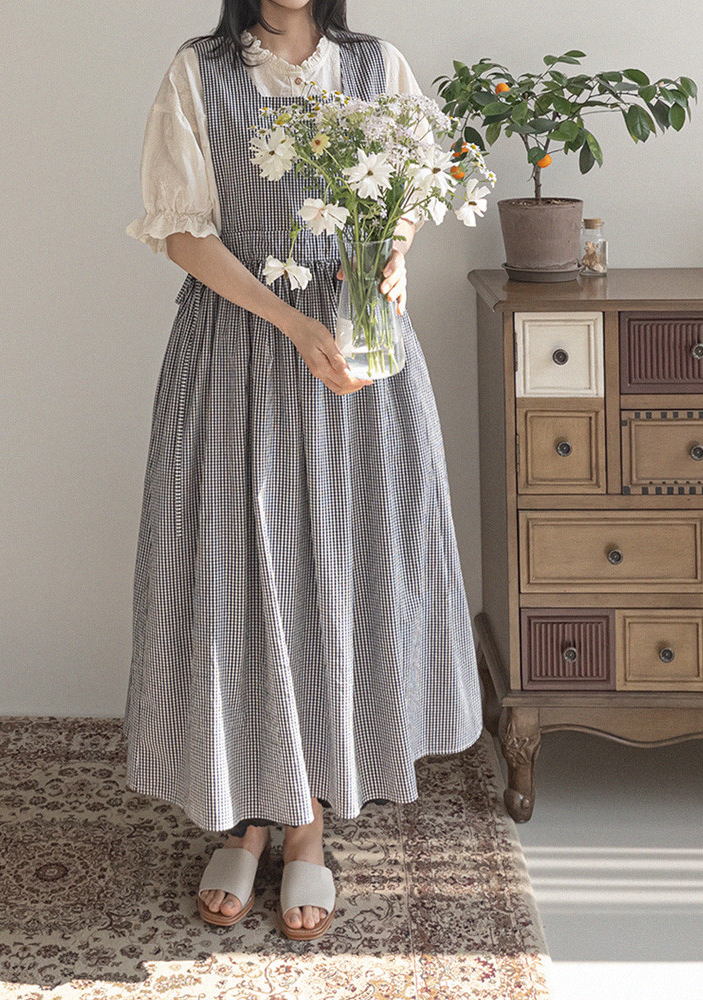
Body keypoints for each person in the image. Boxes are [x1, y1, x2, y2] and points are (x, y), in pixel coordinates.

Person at [123, 0, 484, 941]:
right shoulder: (201, 70)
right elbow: (182, 232)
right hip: (241, 352)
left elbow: (413, 190)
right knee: (239, 582)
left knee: (337, 580)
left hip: (356, 363)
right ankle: (248, 814)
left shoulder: (375, 65)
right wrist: (292, 322)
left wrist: (394, 258)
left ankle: (308, 822)